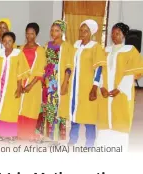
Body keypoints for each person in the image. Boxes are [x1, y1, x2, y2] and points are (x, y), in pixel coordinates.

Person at [96, 23, 143, 151]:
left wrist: (120, 89)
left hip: (121, 91)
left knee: (120, 118)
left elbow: (132, 73)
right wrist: (101, 87)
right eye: (112, 33)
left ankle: (119, 149)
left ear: (124, 35)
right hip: (106, 92)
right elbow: (99, 71)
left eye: (117, 33)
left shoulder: (130, 50)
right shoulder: (105, 50)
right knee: (105, 119)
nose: (114, 36)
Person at [68, 19, 106, 147]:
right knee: (74, 113)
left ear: (91, 33)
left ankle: (90, 143)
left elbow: (99, 68)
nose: (83, 33)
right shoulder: (76, 45)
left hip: (87, 86)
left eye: (86, 31)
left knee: (89, 115)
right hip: (74, 85)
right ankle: (73, 139)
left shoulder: (95, 46)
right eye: (81, 30)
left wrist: (95, 87)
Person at [35, 20, 74, 145]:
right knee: (46, 108)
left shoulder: (67, 46)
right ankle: (45, 135)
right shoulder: (47, 45)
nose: (53, 32)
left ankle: (56, 138)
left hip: (58, 82)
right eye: (52, 30)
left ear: (62, 31)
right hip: (48, 81)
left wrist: (65, 83)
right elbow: (43, 63)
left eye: (56, 30)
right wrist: (42, 79)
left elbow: (69, 67)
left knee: (57, 109)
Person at [0, 32, 30, 143]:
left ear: (13, 42)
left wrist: (19, 88)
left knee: (11, 110)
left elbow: (21, 72)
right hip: (0, 86)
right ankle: (2, 133)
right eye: (5, 41)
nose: (7, 43)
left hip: (12, 85)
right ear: (2, 42)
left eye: (10, 41)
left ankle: (12, 134)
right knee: (0, 108)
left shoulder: (18, 54)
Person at [17, 23, 46, 141]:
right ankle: (19, 133)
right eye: (27, 33)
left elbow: (41, 70)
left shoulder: (40, 50)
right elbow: (17, 66)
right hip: (21, 81)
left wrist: (30, 84)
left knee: (31, 108)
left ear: (36, 35)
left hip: (34, 83)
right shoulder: (20, 49)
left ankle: (29, 132)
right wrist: (20, 83)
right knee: (20, 107)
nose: (29, 36)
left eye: (32, 34)